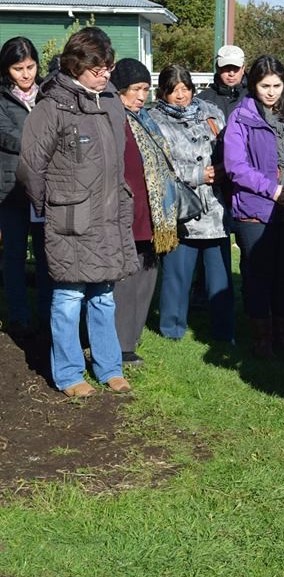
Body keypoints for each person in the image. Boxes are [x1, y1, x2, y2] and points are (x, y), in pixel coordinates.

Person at [17, 27, 138, 397]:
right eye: (97, 68)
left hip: (110, 216)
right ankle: (69, 374)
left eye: (108, 67)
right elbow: (29, 168)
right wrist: (54, 205)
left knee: (103, 295)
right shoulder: (51, 106)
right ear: (76, 65)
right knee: (68, 298)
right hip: (70, 219)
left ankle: (109, 367)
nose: (105, 74)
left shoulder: (112, 103)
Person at [225, 55, 284, 358]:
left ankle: (283, 336)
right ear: (254, 84)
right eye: (264, 85)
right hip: (255, 208)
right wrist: (272, 190)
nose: (271, 92)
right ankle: (261, 340)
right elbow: (235, 165)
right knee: (259, 274)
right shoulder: (241, 116)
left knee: (283, 273)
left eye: (276, 85)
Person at [149, 65, 234, 345]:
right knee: (177, 275)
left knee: (219, 277)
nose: (180, 95)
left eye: (184, 88)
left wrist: (224, 169)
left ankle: (224, 331)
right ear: (163, 92)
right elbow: (157, 165)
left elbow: (229, 146)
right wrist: (197, 175)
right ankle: (172, 328)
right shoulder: (153, 119)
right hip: (181, 208)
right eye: (173, 90)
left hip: (216, 207)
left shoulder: (211, 112)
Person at [112, 58, 181, 366]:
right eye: (136, 89)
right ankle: (121, 344)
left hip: (152, 215)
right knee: (125, 281)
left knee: (147, 275)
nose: (142, 96)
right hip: (127, 212)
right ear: (120, 89)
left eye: (145, 89)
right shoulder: (113, 118)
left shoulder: (146, 120)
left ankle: (133, 336)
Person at [0, 36, 50, 339]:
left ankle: (46, 314)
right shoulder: (2, 98)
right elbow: (7, 136)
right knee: (15, 256)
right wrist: (42, 143)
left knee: (46, 255)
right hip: (11, 190)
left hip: (44, 189)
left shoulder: (47, 94)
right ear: (7, 70)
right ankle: (19, 315)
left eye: (30, 67)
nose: (26, 74)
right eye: (18, 68)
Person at [196, 45, 248, 119]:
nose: (231, 74)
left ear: (243, 69)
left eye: (236, 68)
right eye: (226, 68)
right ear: (217, 68)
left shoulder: (255, 97)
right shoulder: (202, 101)